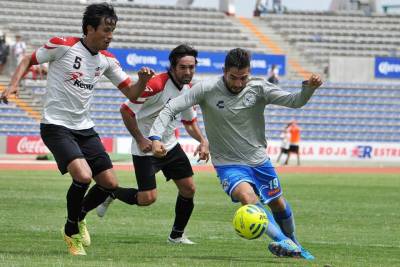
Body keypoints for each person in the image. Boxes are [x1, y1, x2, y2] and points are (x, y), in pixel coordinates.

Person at [0, 3, 155, 256]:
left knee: (109, 183)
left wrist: (144, 81)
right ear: (89, 28)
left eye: (112, 31)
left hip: (85, 128)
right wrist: (13, 85)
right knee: (83, 176)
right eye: (105, 30)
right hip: (55, 125)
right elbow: (29, 58)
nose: (110, 36)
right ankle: (70, 231)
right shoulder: (63, 45)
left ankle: (80, 215)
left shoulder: (107, 60)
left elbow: (131, 93)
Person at [149, 48, 322, 260]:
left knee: (278, 203)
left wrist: (309, 89)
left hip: (259, 160)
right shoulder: (207, 88)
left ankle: (294, 243)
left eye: (243, 78)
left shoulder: (258, 88)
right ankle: (282, 241)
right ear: (224, 71)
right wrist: (156, 137)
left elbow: (295, 101)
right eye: (233, 77)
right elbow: (170, 108)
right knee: (248, 198)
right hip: (228, 164)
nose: (239, 83)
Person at [96, 44, 209, 244]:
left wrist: (202, 141)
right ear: (173, 67)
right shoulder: (156, 85)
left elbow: (189, 123)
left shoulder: (188, 90)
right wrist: (141, 139)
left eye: (192, 67)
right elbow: (126, 111)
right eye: (183, 67)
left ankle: (176, 236)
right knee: (147, 198)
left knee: (189, 189)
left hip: (170, 147)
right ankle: (112, 192)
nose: (188, 72)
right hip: (146, 149)